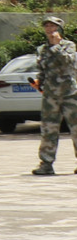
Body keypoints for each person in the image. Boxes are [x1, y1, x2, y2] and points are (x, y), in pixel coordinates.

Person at [32, 15, 77, 175]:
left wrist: (56, 45)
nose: (50, 30)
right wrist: (39, 81)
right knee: (48, 130)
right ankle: (46, 164)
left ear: (59, 29)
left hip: (70, 94)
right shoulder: (42, 49)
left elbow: (68, 62)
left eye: (53, 26)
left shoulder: (69, 46)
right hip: (51, 96)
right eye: (47, 27)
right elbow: (43, 69)